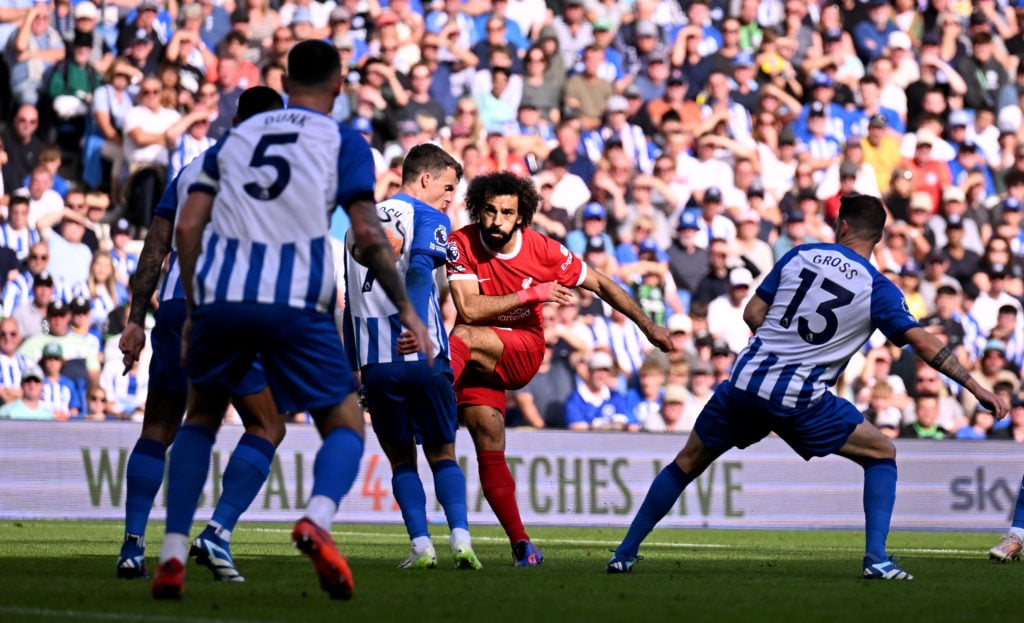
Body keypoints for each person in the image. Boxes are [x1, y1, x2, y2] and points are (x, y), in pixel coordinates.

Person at [150, 40, 430, 601]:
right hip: (296, 300)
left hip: (221, 298)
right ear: (339, 84)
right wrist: (405, 307)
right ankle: (317, 519)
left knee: (200, 418)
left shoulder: (231, 141)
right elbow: (368, 235)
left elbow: (185, 229)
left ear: (284, 79)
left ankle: (173, 552)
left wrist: (194, 307)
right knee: (345, 422)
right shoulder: (342, 140)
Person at [606, 194, 1008, 580]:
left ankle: (624, 553)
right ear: (879, 237)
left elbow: (753, 312)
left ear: (842, 225)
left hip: (745, 382)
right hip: (799, 399)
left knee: (687, 463)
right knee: (881, 451)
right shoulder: (878, 288)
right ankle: (877, 559)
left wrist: (781, 346)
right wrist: (976, 387)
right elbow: (922, 342)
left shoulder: (801, 254)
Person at [115, 88, 297, 585]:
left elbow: (155, 246)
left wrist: (135, 319)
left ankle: (132, 545)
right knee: (267, 425)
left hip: (175, 309)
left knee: (159, 426)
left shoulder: (194, 167)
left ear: (236, 118)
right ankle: (217, 532)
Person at [444, 171, 672, 566]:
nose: (497, 220)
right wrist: (534, 292)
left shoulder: (544, 250)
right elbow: (468, 304)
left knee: (462, 335)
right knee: (487, 434)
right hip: (479, 358)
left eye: (507, 213)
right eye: (490, 211)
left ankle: (429, 396)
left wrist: (648, 326)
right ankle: (522, 546)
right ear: (478, 210)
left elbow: (601, 284)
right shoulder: (460, 242)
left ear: (522, 216)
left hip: (521, 348)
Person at [342, 143, 481, 571]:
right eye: (448, 186)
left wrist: (355, 367)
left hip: (376, 365)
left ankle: (422, 546)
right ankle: (461, 540)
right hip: (422, 354)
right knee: (442, 453)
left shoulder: (355, 226)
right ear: (424, 178)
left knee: (401, 457)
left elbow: (349, 304)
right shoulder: (429, 217)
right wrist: (413, 323)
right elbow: (420, 270)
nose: (450, 197)